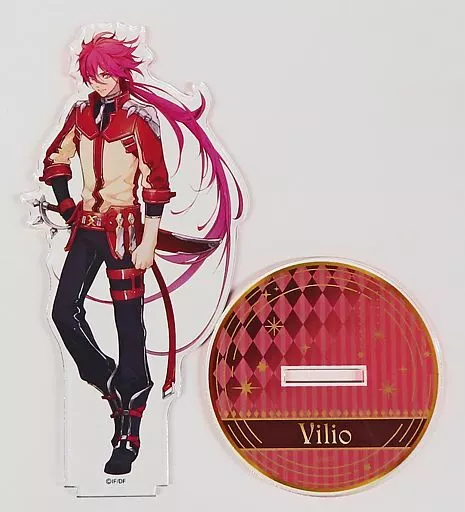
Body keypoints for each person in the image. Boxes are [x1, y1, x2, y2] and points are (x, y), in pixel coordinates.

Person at [39, 31, 244, 475]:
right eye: (92, 74)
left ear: (120, 72)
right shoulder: (79, 113)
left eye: (105, 73)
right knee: (62, 312)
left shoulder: (139, 119)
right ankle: (106, 380)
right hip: (87, 230)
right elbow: (55, 159)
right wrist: (68, 205)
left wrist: (150, 238)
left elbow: (155, 180)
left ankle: (128, 428)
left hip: (127, 233)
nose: (98, 81)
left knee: (128, 325)